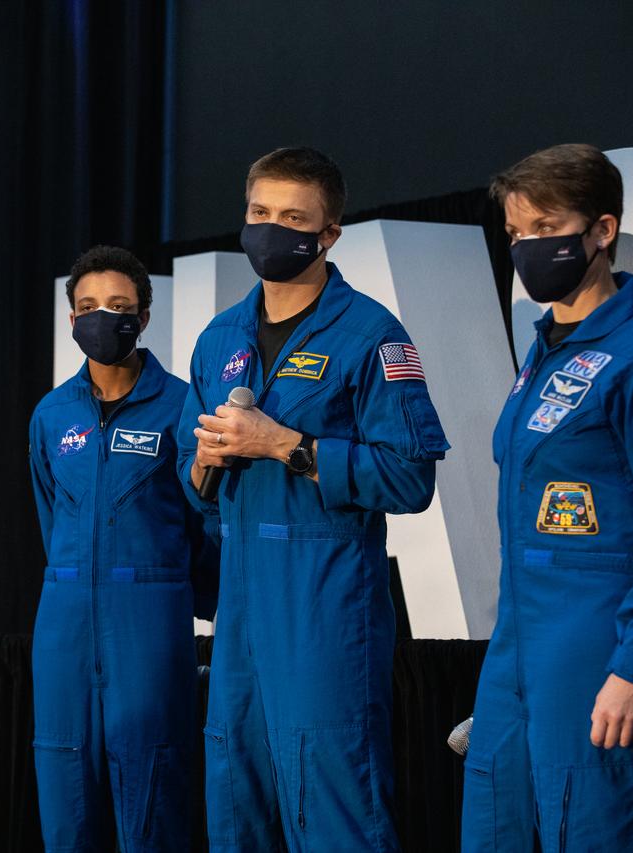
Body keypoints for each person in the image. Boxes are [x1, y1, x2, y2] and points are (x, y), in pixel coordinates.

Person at [177, 147, 449, 851]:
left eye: (293, 218)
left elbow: (410, 477)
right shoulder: (219, 339)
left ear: (329, 233)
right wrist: (205, 463)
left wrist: (284, 445)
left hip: (325, 605)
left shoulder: (372, 335)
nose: (271, 229)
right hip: (239, 609)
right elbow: (194, 487)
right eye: (259, 214)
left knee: (334, 810)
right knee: (238, 807)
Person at [461, 144, 633, 852]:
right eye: (516, 234)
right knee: (492, 825)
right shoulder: (544, 354)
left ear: (601, 230)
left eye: (545, 227)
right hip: (518, 643)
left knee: (593, 829)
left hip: (596, 643)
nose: (528, 247)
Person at [28, 246, 219, 852]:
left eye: (117, 306)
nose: (101, 317)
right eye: (86, 307)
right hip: (62, 624)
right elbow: (48, 513)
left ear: (143, 313)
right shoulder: (51, 414)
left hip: (150, 620)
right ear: (71, 320)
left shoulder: (184, 404)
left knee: (154, 788)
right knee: (64, 793)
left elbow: (206, 521)